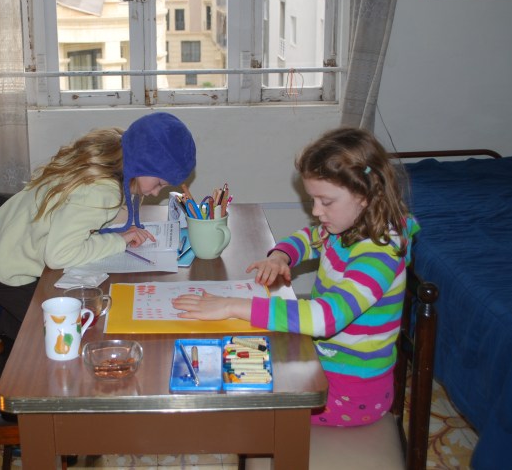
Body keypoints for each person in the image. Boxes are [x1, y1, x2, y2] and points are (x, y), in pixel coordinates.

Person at [172, 127, 419, 427]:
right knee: (240, 359)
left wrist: (231, 305)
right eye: (313, 200)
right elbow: (308, 237)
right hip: (323, 365)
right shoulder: (346, 228)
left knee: (245, 405)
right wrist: (281, 255)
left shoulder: (379, 253)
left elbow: (325, 318)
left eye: (325, 202)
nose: (316, 211)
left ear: (365, 195)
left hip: (350, 395)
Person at [0, 112, 196, 340]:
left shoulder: (114, 146)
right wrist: (118, 241)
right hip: (4, 268)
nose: (156, 192)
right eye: (159, 183)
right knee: (65, 333)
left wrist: (121, 228)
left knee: (68, 321)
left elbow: (86, 213)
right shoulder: (102, 190)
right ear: (143, 162)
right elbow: (59, 256)